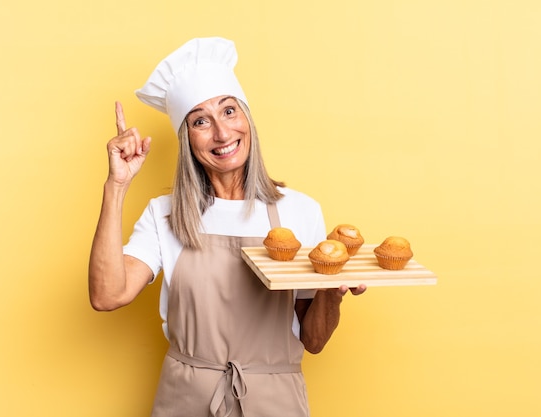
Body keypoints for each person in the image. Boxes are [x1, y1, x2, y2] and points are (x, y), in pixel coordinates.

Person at [88, 37, 366, 417]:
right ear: (187, 140)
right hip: (185, 400)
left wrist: (334, 292)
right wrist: (116, 185)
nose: (221, 133)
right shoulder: (164, 214)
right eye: (201, 120)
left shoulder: (300, 211)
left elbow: (314, 340)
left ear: (247, 118)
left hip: (274, 401)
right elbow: (107, 296)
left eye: (230, 111)